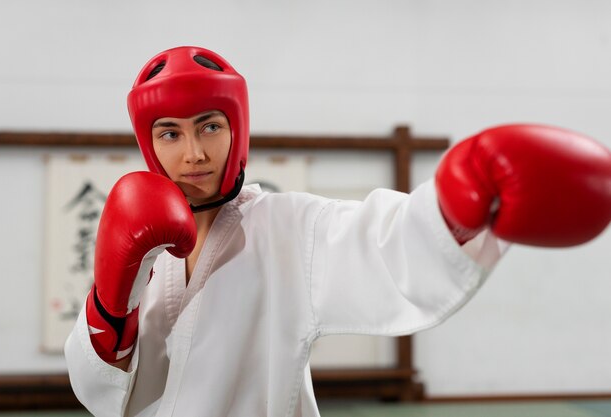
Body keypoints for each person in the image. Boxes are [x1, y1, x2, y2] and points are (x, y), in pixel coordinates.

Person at [64, 46, 611, 417]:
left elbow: (380, 244)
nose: (194, 153)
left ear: (238, 128)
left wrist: (459, 205)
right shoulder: (144, 245)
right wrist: (109, 310)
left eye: (210, 125)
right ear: (148, 143)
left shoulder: (288, 228)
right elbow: (98, 394)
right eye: (170, 133)